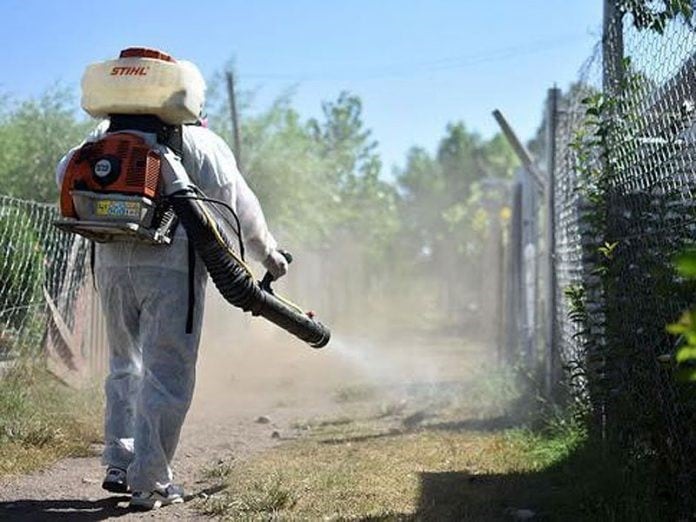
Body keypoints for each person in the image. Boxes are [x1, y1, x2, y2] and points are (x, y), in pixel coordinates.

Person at [55, 47, 288, 510]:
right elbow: (240, 209)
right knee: (167, 371)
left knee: (124, 364)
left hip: (112, 261)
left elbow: (65, 172)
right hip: (170, 268)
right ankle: (151, 481)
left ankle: (119, 462)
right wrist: (270, 256)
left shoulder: (102, 135)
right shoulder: (201, 144)